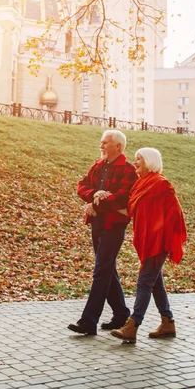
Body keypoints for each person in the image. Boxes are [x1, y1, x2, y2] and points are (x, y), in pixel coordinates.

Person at [111, 147, 187, 344]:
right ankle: (167, 322)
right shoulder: (141, 184)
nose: (135, 163)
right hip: (146, 241)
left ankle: (133, 325)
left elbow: (176, 215)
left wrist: (162, 235)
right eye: (136, 159)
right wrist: (101, 203)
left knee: (145, 281)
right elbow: (130, 210)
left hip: (158, 242)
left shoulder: (162, 185)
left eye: (139, 159)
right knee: (155, 284)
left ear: (150, 161)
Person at [68, 130, 137, 336]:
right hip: (97, 223)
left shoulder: (128, 170)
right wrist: (93, 196)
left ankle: (89, 321)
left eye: (105, 143)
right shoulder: (97, 166)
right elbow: (82, 186)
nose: (101, 146)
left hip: (113, 226)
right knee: (107, 269)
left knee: (101, 271)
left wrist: (98, 202)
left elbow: (123, 197)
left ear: (118, 146)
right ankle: (121, 314)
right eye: (101, 142)